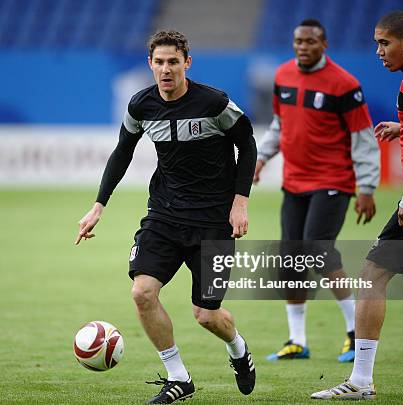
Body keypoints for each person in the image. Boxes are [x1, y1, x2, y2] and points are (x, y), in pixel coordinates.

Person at [75, 30, 257, 404]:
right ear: (150, 65)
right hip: (164, 216)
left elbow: (247, 144)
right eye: (159, 62)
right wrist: (98, 205)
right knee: (142, 292)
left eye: (173, 61)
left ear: (187, 63)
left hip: (212, 223)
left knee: (206, 317)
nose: (166, 69)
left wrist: (240, 202)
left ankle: (238, 348)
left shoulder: (214, 103)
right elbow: (122, 152)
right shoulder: (141, 106)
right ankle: (178, 377)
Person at [312, 11, 403, 399]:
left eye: (384, 42)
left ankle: (360, 381)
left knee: (372, 273)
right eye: (375, 43)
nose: (378, 51)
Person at [253, 19, 380, 363]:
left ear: (324, 44)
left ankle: (356, 334)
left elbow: (363, 139)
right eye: (298, 41)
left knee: (318, 251)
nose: (302, 46)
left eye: (310, 41)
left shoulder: (344, 84)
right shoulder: (283, 76)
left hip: (333, 181)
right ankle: (297, 341)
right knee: (291, 260)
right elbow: (280, 125)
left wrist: (366, 187)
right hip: (295, 182)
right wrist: (261, 158)